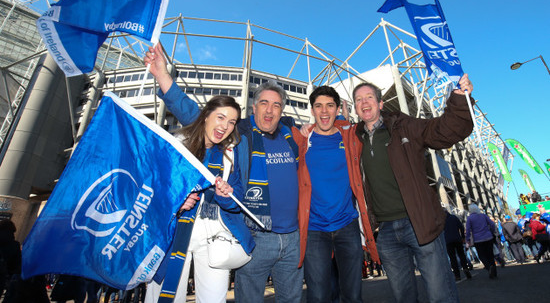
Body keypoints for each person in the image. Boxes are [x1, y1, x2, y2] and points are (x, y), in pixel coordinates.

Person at [144, 43, 303, 302]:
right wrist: (163, 76)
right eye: (264, 103)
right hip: (248, 231)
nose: (270, 110)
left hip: (273, 236)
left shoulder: (291, 134)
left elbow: (237, 189)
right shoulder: (239, 134)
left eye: (276, 105)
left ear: (282, 111)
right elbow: (195, 115)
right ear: (254, 107)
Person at [351, 74, 474, 302]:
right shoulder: (353, 138)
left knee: (440, 294)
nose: (364, 102)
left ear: (380, 103)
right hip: (385, 231)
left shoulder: (403, 125)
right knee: (403, 296)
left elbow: (442, 131)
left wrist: (458, 99)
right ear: (355, 107)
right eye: (359, 99)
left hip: (418, 222)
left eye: (369, 97)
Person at [142, 89, 254, 301]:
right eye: (220, 117)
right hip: (174, 232)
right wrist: (177, 201)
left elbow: (237, 195)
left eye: (232, 122)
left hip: (215, 234)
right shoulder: (178, 143)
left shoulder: (232, 151)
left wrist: (226, 194)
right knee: (164, 297)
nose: (225, 126)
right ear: (205, 116)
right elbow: (154, 187)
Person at [294, 86, 378, 302]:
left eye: (330, 105)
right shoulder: (302, 140)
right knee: (319, 296)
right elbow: (275, 124)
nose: (324, 111)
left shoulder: (350, 136)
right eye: (318, 106)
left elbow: (375, 120)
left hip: (347, 226)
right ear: (312, 110)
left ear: (337, 109)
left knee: (352, 295)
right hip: (314, 230)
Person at [465, 204, 497, 279]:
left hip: (478, 239)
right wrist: (491, 232)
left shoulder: (469, 218)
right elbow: (492, 224)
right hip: (488, 237)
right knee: (490, 255)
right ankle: (494, 272)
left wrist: (468, 240)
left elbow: (468, 230)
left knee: (482, 255)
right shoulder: (483, 215)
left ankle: (489, 268)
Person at [444, 211, 471, 281]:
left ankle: (457, 275)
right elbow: (461, 227)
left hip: (448, 241)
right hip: (457, 239)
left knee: (452, 258)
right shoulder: (454, 217)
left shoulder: (441, 220)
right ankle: (465, 268)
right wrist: (462, 237)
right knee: (461, 255)